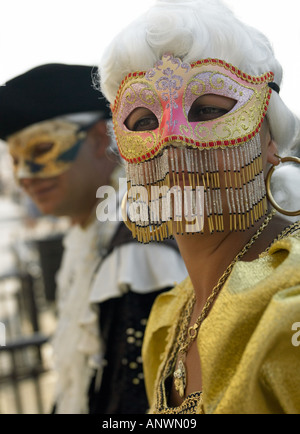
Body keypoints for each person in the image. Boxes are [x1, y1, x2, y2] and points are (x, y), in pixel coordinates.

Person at [98, 0, 300, 414]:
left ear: (271, 141)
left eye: (208, 110)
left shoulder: (292, 304)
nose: (173, 141)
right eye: (144, 122)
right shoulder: (166, 322)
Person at [0, 63, 188, 414]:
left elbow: (142, 402)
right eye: (14, 160)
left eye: (41, 150)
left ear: (101, 139)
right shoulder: (91, 231)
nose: (24, 175)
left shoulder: (138, 244)